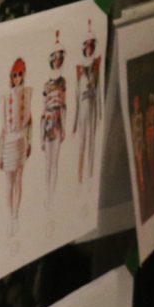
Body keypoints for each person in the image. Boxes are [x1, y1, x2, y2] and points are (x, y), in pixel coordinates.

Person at [0, 57, 32, 236]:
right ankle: (9, 217)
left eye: (20, 74)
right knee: (9, 184)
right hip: (8, 142)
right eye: (14, 75)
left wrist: (29, 141)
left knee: (18, 181)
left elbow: (29, 121)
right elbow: (3, 128)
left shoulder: (27, 94)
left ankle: (15, 216)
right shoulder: (5, 97)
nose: (17, 78)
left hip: (20, 140)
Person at [73, 21, 102, 184]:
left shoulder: (96, 64)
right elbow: (76, 94)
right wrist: (74, 122)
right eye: (88, 44)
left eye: (92, 44)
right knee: (82, 142)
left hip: (93, 104)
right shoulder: (79, 67)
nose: (90, 47)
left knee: (92, 140)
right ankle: (79, 177)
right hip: (83, 105)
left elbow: (99, 88)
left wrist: (100, 113)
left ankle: (90, 176)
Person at [42, 33, 68, 207]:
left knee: (55, 162)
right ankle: (47, 195)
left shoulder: (63, 82)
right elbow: (43, 111)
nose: (58, 61)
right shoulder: (46, 85)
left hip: (58, 124)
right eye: (55, 58)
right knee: (48, 163)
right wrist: (41, 136)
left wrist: (64, 127)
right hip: (47, 125)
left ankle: (52, 195)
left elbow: (64, 106)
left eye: (60, 58)